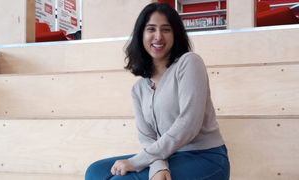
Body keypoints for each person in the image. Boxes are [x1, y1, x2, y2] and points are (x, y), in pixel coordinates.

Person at [85, 2, 230, 180]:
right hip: (168, 157)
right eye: (151, 29)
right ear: (141, 34)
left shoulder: (189, 63)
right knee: (95, 172)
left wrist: (140, 161)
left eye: (166, 29)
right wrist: (158, 166)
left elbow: (189, 125)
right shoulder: (138, 89)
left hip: (205, 157)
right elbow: (147, 138)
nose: (158, 36)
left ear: (175, 34)